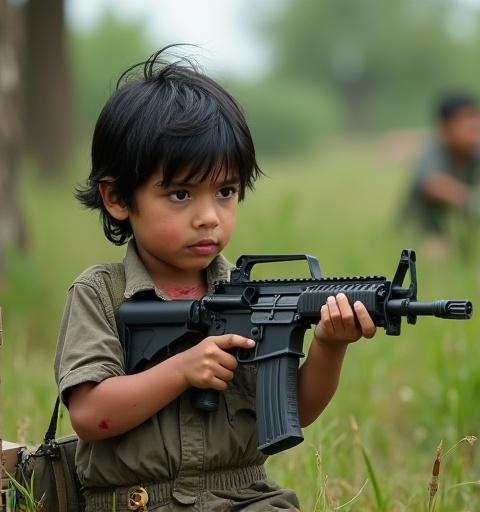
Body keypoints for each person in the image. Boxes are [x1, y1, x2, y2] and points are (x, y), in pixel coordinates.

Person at [54, 45, 377, 512]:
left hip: (245, 496)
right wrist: (182, 369)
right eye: (181, 194)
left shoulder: (249, 296)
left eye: (225, 192)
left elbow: (293, 412)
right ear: (118, 198)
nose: (209, 217)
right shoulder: (101, 294)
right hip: (137, 502)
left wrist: (330, 345)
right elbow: (89, 415)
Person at [403, 91, 480, 257]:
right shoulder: (433, 151)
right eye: (465, 120)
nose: (474, 126)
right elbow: (436, 186)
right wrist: (472, 202)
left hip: (463, 230)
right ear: (444, 127)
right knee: (436, 255)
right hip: (425, 231)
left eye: (476, 117)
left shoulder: (474, 153)